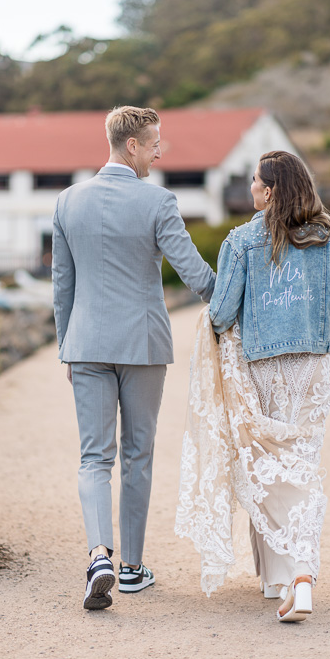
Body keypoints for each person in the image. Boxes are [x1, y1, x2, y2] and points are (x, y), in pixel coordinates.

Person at [175, 150, 330, 622]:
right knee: (299, 460)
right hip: (313, 368)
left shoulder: (240, 242)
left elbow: (220, 313)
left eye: (257, 182)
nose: (252, 188)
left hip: (262, 366)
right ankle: (281, 578)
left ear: (273, 189)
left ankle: (295, 576)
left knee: (268, 464)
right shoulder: (329, 237)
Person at [52, 106, 215, 611]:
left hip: (86, 344)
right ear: (132, 147)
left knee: (93, 456)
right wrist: (244, 294)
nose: (160, 152)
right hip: (143, 344)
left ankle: (99, 553)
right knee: (138, 453)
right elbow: (198, 277)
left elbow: (63, 287)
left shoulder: (66, 202)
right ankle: (131, 569)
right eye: (154, 143)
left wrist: (69, 346)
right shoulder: (157, 201)